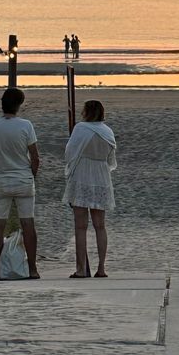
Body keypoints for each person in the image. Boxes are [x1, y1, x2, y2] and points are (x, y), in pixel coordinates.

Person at [0, 87, 40, 280]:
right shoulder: (26, 125)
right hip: (22, 178)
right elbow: (35, 157)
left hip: (1, 178)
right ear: (18, 106)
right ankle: (32, 269)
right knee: (28, 223)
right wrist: (32, 175)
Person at [63, 99, 116, 278]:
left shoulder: (80, 129)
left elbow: (69, 152)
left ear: (86, 112)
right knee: (100, 225)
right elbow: (111, 157)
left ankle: (80, 268)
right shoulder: (107, 131)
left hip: (82, 174)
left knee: (80, 226)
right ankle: (101, 268)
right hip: (101, 174)